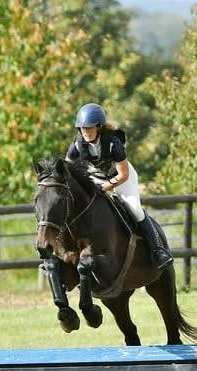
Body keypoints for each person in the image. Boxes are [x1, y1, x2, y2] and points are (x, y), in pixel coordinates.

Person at [66, 103, 173, 270]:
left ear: (99, 127)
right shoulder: (77, 144)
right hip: (96, 177)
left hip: (121, 177)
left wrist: (104, 187)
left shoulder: (112, 143)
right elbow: (67, 170)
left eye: (90, 128)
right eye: (82, 128)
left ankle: (158, 251)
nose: (86, 131)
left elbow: (123, 174)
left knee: (135, 209)